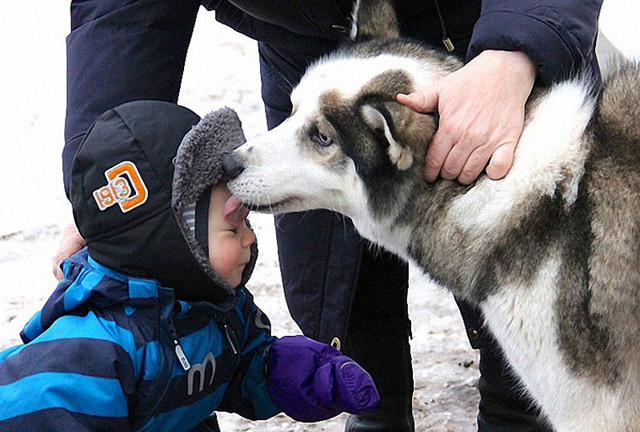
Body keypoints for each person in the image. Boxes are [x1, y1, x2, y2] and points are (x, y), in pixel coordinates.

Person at [56, 1, 603, 431]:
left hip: (473, 36)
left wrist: (519, 45)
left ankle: (520, 414)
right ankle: (375, 408)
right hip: (315, 49)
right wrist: (104, 178)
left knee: (527, 275)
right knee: (330, 279)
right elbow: (122, 16)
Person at [0, 100, 380, 432]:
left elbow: (244, 366)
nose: (249, 239)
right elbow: (33, 411)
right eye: (234, 227)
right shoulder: (87, 357)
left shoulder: (218, 311)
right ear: (171, 244)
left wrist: (310, 376)